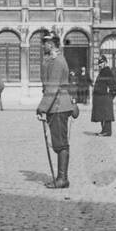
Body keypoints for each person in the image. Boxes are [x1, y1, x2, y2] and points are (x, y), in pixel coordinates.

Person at [36, 33, 75, 189]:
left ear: (51, 44)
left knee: (60, 144)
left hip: (58, 106)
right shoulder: (53, 60)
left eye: (45, 43)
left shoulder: (58, 62)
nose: (43, 46)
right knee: (59, 143)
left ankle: (62, 179)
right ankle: (61, 177)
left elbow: (52, 87)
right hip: (56, 105)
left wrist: (42, 107)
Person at [91, 57, 116, 136]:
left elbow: (113, 85)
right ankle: (104, 130)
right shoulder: (102, 72)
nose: (100, 65)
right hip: (100, 98)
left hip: (105, 98)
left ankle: (107, 132)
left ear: (105, 62)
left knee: (106, 115)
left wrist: (110, 96)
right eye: (99, 63)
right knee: (102, 115)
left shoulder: (107, 71)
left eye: (101, 63)